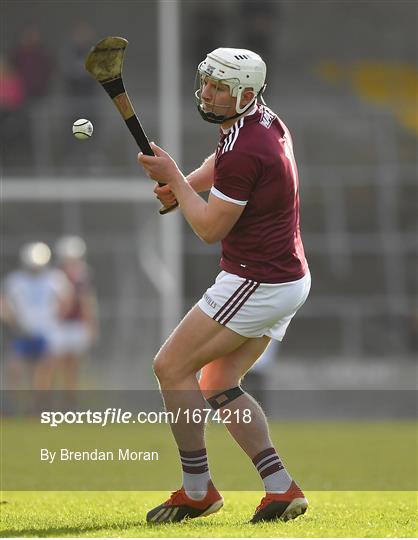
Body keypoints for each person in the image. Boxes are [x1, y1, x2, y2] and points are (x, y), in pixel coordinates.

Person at [138, 48, 311, 524]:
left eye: (221, 88)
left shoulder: (247, 149)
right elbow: (221, 160)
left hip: (258, 278)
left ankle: (197, 491)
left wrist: (174, 177)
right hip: (284, 277)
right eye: (208, 83)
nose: (210, 93)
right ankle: (280, 488)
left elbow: (210, 227)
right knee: (217, 380)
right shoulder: (262, 121)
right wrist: (184, 185)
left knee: (171, 367)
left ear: (248, 94)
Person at [0, 242, 72, 391]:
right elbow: (4, 304)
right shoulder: (15, 280)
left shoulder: (54, 279)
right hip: (22, 332)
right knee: (15, 368)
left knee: (43, 372)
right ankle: (11, 404)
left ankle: (39, 405)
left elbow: (66, 301)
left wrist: (54, 321)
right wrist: (13, 322)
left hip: (46, 333)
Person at [53, 235, 98, 391]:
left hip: (77, 324)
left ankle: (69, 403)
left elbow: (87, 301)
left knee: (73, 367)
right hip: (59, 325)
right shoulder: (56, 276)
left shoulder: (83, 275)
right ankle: (49, 402)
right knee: (56, 365)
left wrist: (90, 325)